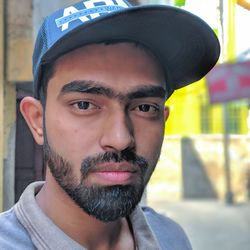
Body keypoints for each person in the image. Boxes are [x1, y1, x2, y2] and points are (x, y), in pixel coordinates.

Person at [0, 0, 220, 249]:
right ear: (37, 121)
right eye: (84, 105)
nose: (121, 138)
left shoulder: (171, 238)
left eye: (145, 107)